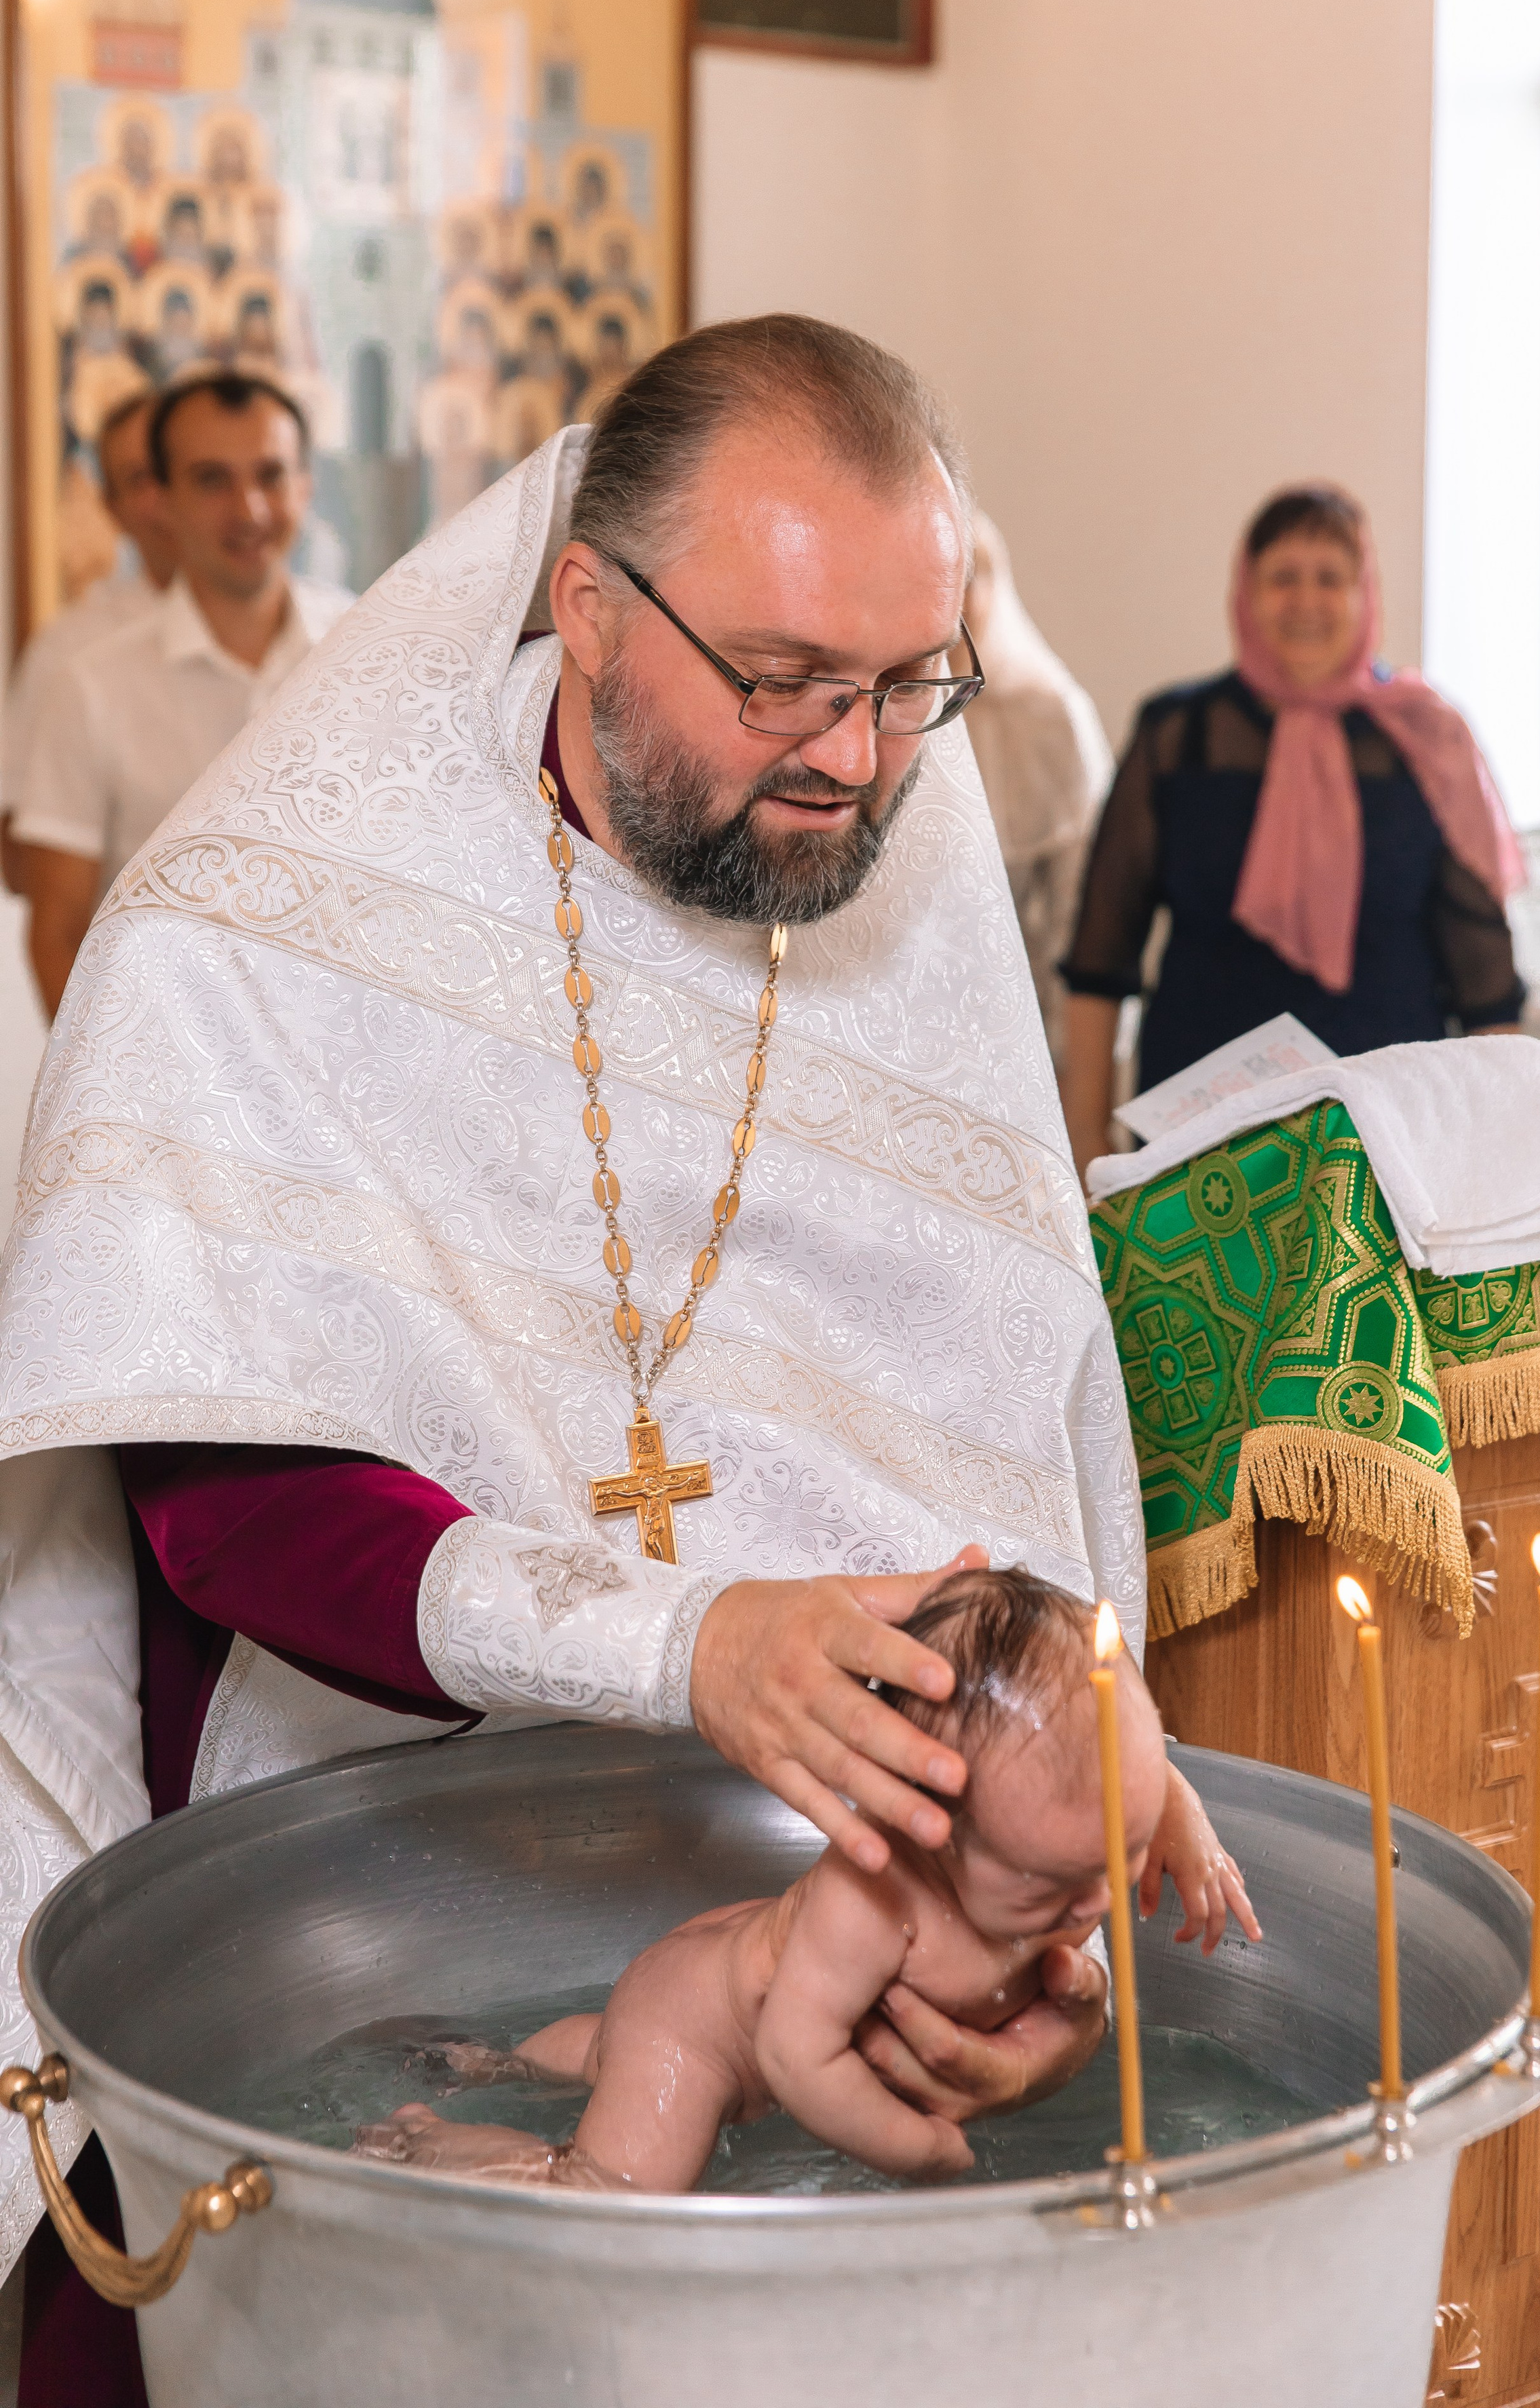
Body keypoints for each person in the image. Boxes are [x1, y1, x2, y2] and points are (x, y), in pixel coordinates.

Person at [0, 317, 1235, 2403]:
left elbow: (996, 1433)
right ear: (587, 606)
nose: (856, 757)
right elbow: (230, 1499)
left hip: (811, 1895)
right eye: (783, 678)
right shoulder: (260, 920)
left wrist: (1030, 1874)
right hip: (362, 1874)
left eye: (908, 683)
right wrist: (685, 1638)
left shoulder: (909, 867)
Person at [355, 1569, 1255, 2193]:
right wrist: (916, 2148)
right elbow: (794, 2057)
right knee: (611, 2189)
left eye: (1121, 1855)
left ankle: (501, 2061)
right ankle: (431, 2140)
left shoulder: (1053, 1833)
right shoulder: (874, 1904)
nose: (1097, 1903)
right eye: (1048, 1887)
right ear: (921, 1824)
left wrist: (1177, 1824)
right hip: (696, 2037)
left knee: (603, 2056)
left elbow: (1127, 1772)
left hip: (707, 1973)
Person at [1058, 484, 1526, 1176]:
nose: (1306, 600)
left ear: (1365, 594)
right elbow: (1100, 959)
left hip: (1388, 1138)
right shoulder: (1177, 736)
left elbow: (1485, 980)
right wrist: (1085, 1146)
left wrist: (1503, 1161)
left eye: (1330, 578)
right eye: (1282, 577)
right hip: (1198, 1140)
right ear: (1246, 592)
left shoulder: (1426, 740)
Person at [11, 368, 352, 1017]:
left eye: (271, 475)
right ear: (163, 499)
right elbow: (57, 930)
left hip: (345, 1049)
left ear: (306, 486)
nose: (249, 510)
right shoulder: (89, 686)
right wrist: (109, 1073)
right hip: (162, 1052)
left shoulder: (370, 654)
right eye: (212, 480)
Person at [1, 392, 177, 894]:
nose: (168, 494)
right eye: (141, 478)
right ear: (111, 507)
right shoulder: (68, 653)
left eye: (182, 469)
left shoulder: (323, 631)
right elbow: (18, 856)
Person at [959, 516, 1113, 1067]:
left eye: (965, 577)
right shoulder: (861, 708)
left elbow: (1080, 918)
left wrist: (1072, 1069)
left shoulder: (1050, 715)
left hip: (1010, 1032)